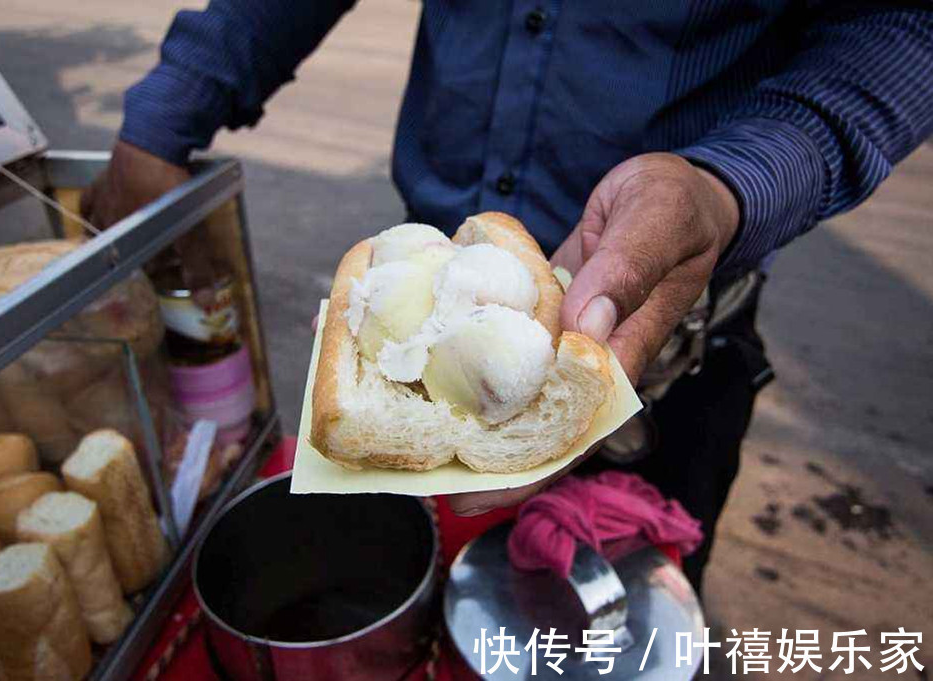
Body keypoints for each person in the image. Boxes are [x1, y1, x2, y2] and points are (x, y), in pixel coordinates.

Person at [82, 2, 933, 589]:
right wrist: (169, 110)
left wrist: (726, 184)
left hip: (679, 342)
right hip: (424, 277)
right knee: (416, 598)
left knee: (622, 629)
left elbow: (902, 27)